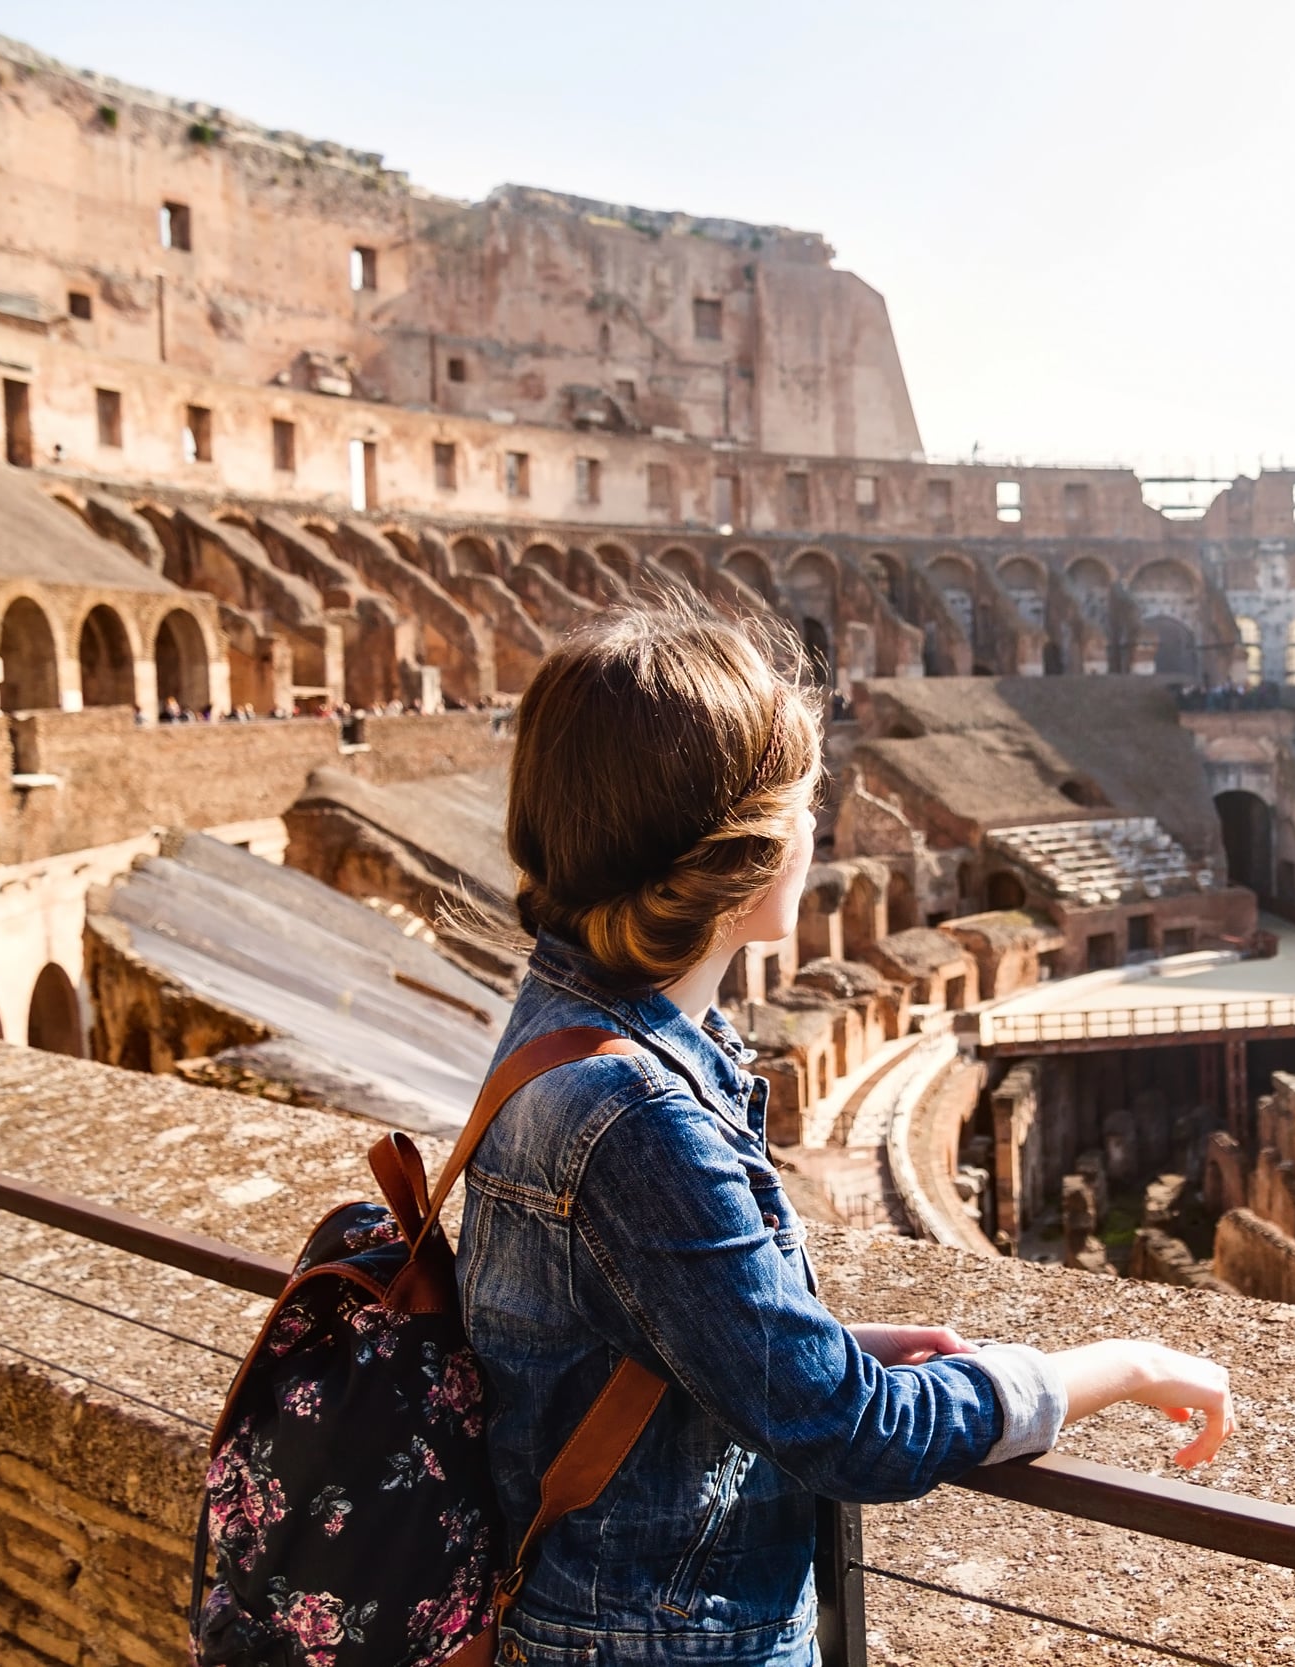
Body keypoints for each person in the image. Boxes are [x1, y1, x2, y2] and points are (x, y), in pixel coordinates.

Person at [461, 605, 1231, 1664]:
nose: (817, 825)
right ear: (745, 849)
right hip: (653, 1638)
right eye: (805, 799)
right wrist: (1116, 1365)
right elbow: (847, 1432)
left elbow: (607, 1328)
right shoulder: (639, 1114)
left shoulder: (577, 1020)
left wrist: (816, 1347)